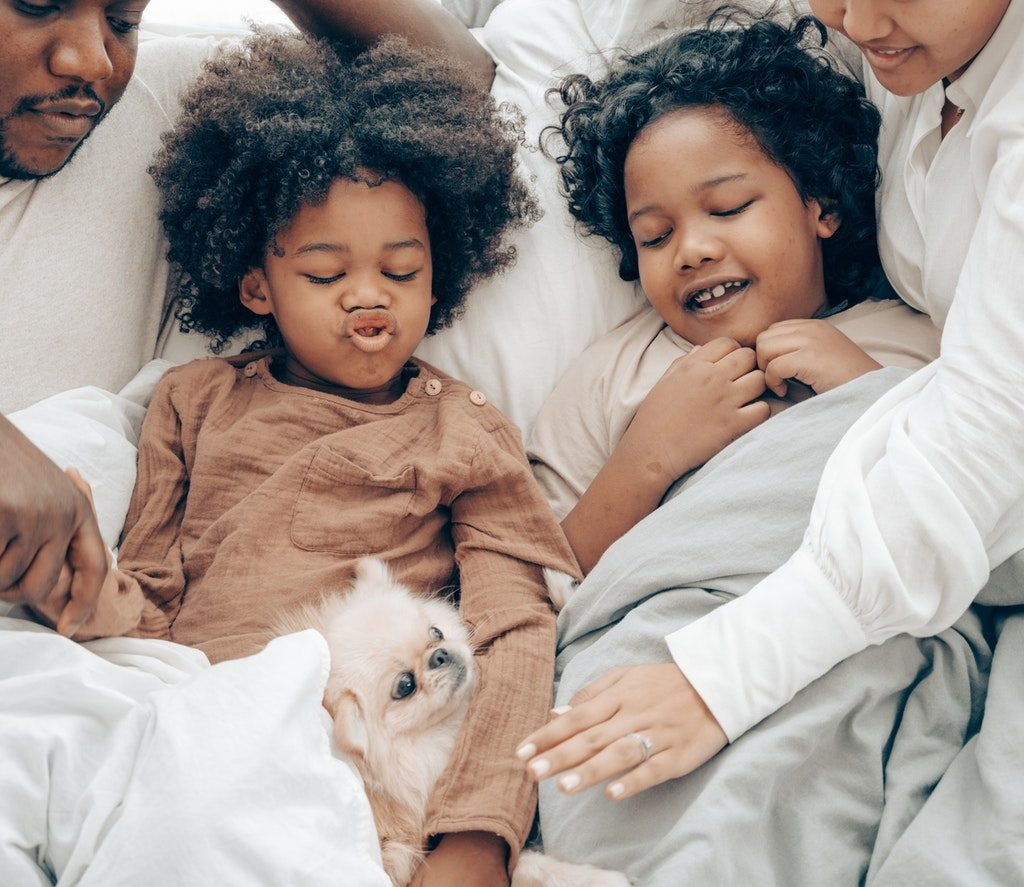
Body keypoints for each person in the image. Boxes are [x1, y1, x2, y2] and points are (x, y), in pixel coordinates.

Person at [27, 30, 577, 886]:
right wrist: (89, 594)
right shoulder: (193, 401)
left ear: (443, 277)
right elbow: (153, 606)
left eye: (403, 269)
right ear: (257, 287)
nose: (368, 295)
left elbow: (516, 627)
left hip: (363, 759)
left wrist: (475, 839)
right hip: (205, 717)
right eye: (325, 274)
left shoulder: (465, 431)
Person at [517, 0, 1024, 808]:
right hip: (660, 638)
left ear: (821, 206)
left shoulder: (910, 345)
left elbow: (974, 493)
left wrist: (866, 393)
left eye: (727, 209)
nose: (693, 248)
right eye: (654, 238)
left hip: (856, 655)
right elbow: (537, 577)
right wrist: (649, 456)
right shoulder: (616, 377)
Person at [0, 0, 492, 642]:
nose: (91, 59)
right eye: (37, 5)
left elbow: (453, 79)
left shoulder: (136, 103)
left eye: (124, 19)